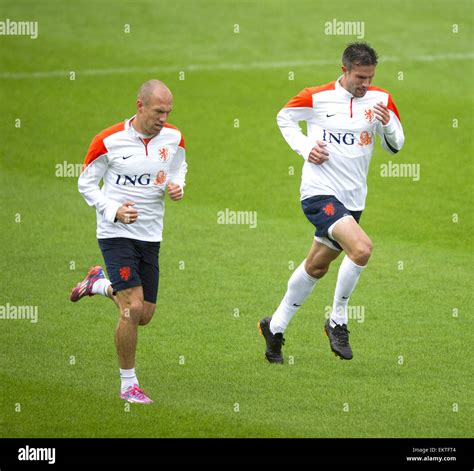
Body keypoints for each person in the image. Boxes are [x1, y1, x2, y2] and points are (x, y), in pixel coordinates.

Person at [259, 43, 404, 363]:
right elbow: (284, 117)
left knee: (316, 266)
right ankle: (337, 320)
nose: (365, 84)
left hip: (353, 200)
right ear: (344, 71)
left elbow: (396, 146)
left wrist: (388, 123)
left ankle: (275, 326)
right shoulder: (316, 96)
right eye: (360, 77)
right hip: (319, 193)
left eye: (370, 77)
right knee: (362, 248)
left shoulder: (381, 100)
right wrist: (304, 147)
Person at [70, 79, 187, 402]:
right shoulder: (108, 141)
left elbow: (178, 166)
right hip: (115, 232)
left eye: (168, 112)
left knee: (145, 314)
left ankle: (97, 283)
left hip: (151, 234)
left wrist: (177, 185)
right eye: (158, 111)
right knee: (131, 308)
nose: (164, 118)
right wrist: (114, 210)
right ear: (140, 106)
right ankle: (128, 385)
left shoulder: (174, 138)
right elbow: (86, 184)